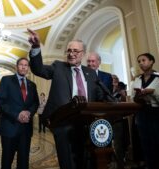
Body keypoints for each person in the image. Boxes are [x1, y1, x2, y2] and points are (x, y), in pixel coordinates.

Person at [28, 28, 104, 169]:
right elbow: (38, 69)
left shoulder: (91, 73)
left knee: (85, 160)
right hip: (63, 123)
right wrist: (36, 47)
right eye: (69, 51)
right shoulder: (58, 67)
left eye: (75, 51)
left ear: (83, 54)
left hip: (86, 124)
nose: (71, 54)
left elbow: (99, 97)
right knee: (67, 162)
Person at [0, 58, 39, 169]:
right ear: (17, 66)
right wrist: (17, 114)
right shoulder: (6, 80)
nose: (23, 67)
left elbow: (35, 103)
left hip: (25, 130)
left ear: (28, 68)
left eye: (26, 65)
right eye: (21, 64)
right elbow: (1, 102)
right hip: (9, 127)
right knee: (7, 161)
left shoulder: (32, 85)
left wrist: (29, 112)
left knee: (24, 161)